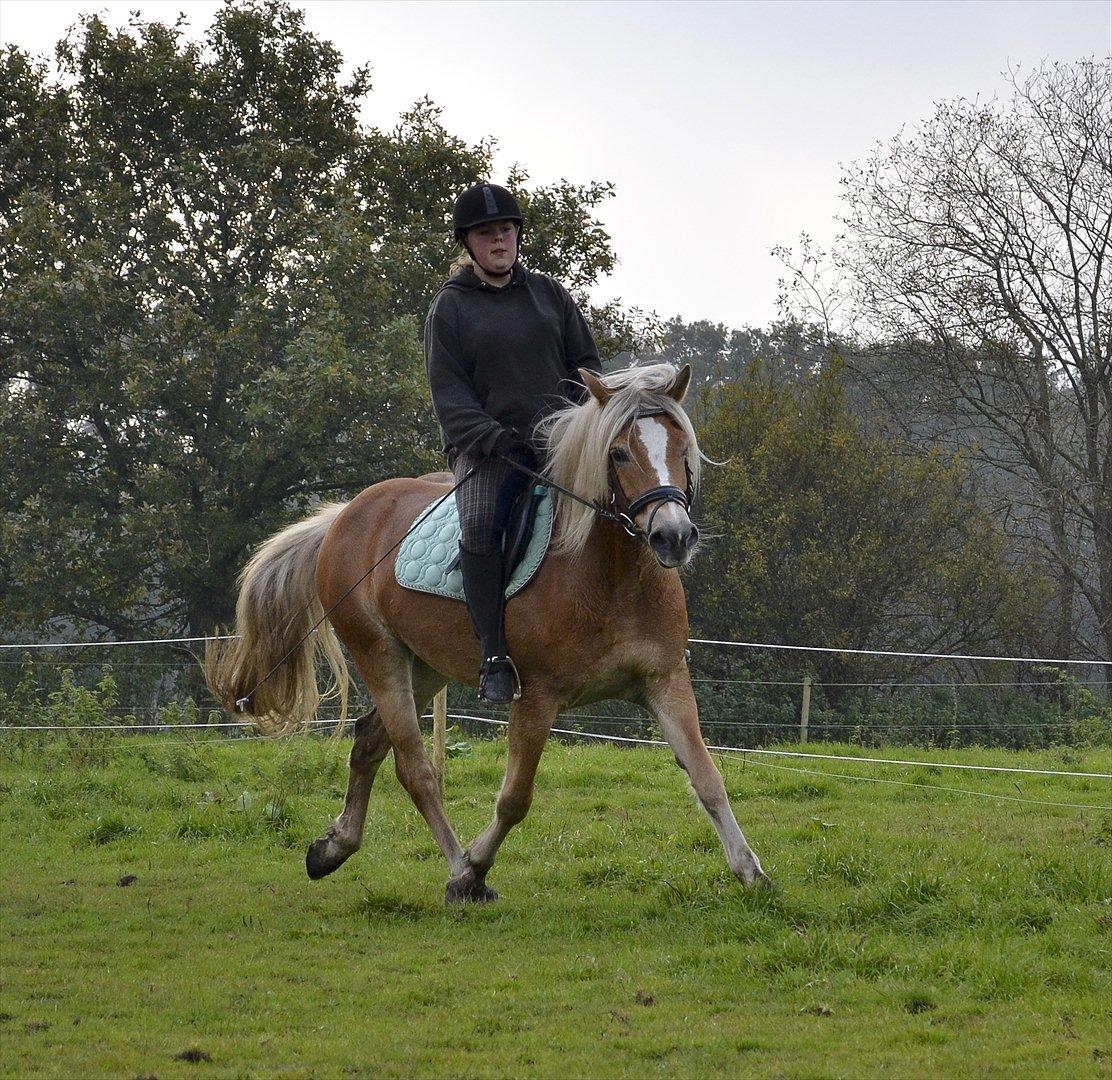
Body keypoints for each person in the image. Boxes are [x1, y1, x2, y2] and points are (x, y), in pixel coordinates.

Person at [424, 182, 601, 703]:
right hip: (489, 453)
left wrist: (578, 426)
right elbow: (449, 393)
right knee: (479, 523)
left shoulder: (551, 295)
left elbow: (586, 366)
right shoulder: (449, 310)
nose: (498, 240)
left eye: (505, 230)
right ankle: (494, 656)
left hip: (562, 444)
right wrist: (493, 439)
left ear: (518, 235)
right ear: (469, 243)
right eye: (486, 233)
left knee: (631, 497)